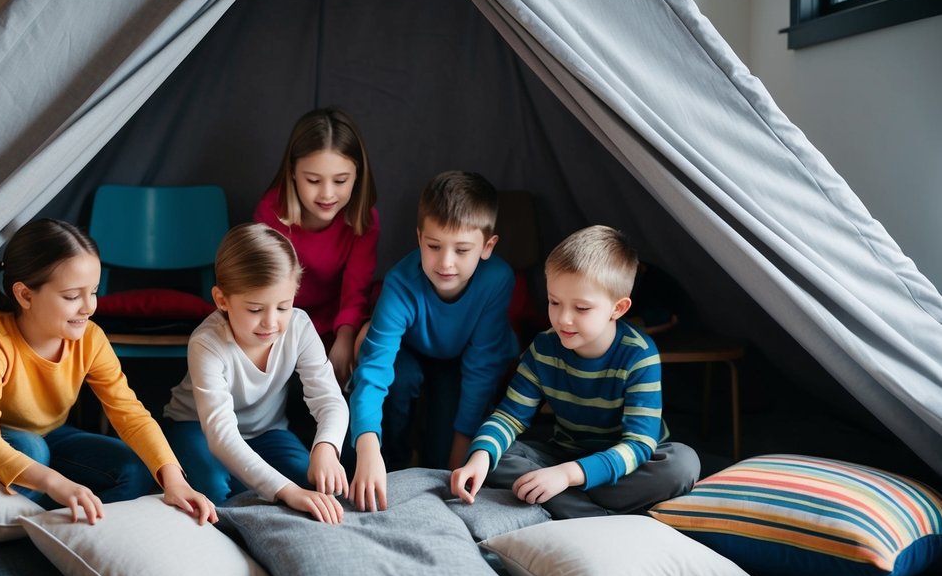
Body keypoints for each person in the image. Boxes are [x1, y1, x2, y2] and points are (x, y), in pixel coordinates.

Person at [0, 218, 217, 526]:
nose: (88, 306)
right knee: (31, 450)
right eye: (71, 296)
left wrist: (174, 481)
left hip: (46, 436)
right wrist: (55, 483)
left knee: (132, 468)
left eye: (93, 291)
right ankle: (22, 533)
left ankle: (74, 534)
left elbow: (129, 413)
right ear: (25, 296)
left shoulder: (90, 338)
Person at [450, 225, 700, 519]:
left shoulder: (638, 355)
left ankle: (566, 503)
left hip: (629, 464)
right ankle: (600, 514)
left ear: (617, 308)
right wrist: (480, 458)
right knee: (496, 456)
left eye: (581, 308)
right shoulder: (543, 348)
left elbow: (639, 444)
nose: (563, 319)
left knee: (683, 464)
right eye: (554, 302)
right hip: (565, 454)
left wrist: (568, 476)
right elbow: (509, 416)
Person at [348, 171, 517, 512]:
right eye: (434, 246)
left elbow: (482, 367)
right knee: (397, 381)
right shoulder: (401, 283)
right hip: (411, 352)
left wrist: (459, 454)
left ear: (487, 247)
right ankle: (392, 462)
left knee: (442, 461)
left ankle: (427, 456)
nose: (445, 262)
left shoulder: (497, 280)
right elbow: (374, 371)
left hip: (461, 360)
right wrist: (368, 450)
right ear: (419, 238)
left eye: (462, 249)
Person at [162, 223, 349, 524]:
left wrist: (326, 447)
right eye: (254, 310)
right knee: (214, 489)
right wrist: (285, 491)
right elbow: (221, 436)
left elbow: (329, 399)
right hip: (195, 427)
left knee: (315, 486)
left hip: (266, 431)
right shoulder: (206, 343)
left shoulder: (299, 327)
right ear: (222, 301)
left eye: (283, 307)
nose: (271, 323)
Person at [254, 106, 378, 387]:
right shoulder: (271, 212)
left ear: (357, 175)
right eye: (313, 180)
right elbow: (268, 289)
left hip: (338, 323)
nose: (327, 194)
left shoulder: (364, 220)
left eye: (340, 181)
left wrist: (345, 336)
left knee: (362, 352)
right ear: (293, 173)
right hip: (281, 323)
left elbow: (355, 288)